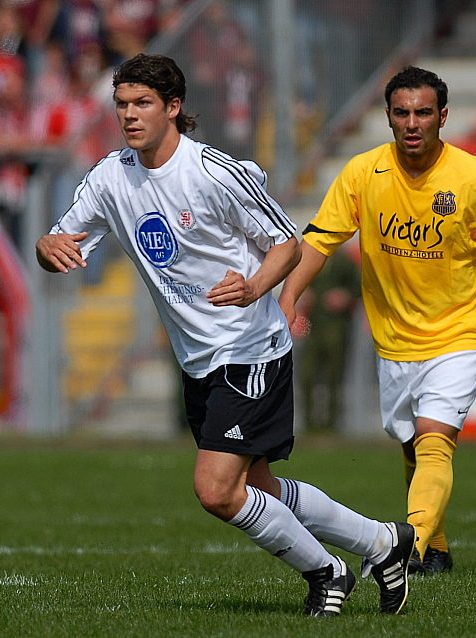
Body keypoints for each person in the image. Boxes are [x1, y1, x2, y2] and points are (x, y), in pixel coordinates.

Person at [36, 53, 416, 617]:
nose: (130, 115)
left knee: (216, 490)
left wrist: (255, 286)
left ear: (173, 107)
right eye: (121, 105)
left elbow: (287, 242)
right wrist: (46, 247)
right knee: (257, 486)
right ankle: (383, 543)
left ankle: (326, 572)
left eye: (142, 103)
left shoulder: (215, 171)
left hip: (249, 350)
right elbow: (59, 243)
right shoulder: (110, 177)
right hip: (198, 361)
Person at [279, 66, 476, 575]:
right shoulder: (361, 173)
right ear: (389, 117)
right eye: (402, 113)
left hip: (461, 333)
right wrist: (288, 301)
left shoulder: (474, 179)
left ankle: (406, 549)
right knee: (412, 443)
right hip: (394, 340)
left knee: (435, 438)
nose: (412, 123)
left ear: (442, 116)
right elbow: (318, 242)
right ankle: (435, 547)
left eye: (422, 113)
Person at [296, 246, 361, 431]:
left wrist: (345, 296)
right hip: (312, 324)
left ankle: (331, 424)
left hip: (337, 326)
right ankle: (310, 424)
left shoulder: (344, 261)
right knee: (307, 373)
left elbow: (359, 285)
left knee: (334, 375)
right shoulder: (308, 259)